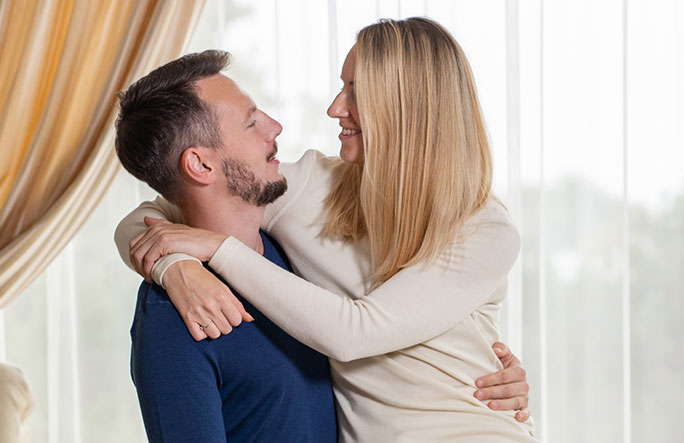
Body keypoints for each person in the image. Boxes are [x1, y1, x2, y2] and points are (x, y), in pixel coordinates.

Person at [116, 18, 536, 442]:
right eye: (342, 86)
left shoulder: (484, 231)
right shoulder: (313, 189)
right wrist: (174, 266)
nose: (335, 107)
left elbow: (354, 333)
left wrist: (215, 249)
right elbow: (173, 202)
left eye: (356, 90)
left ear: (407, 106)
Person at [114, 51, 337, 442]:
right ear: (201, 165)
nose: (275, 127)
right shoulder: (173, 319)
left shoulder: (293, 249)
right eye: (251, 122)